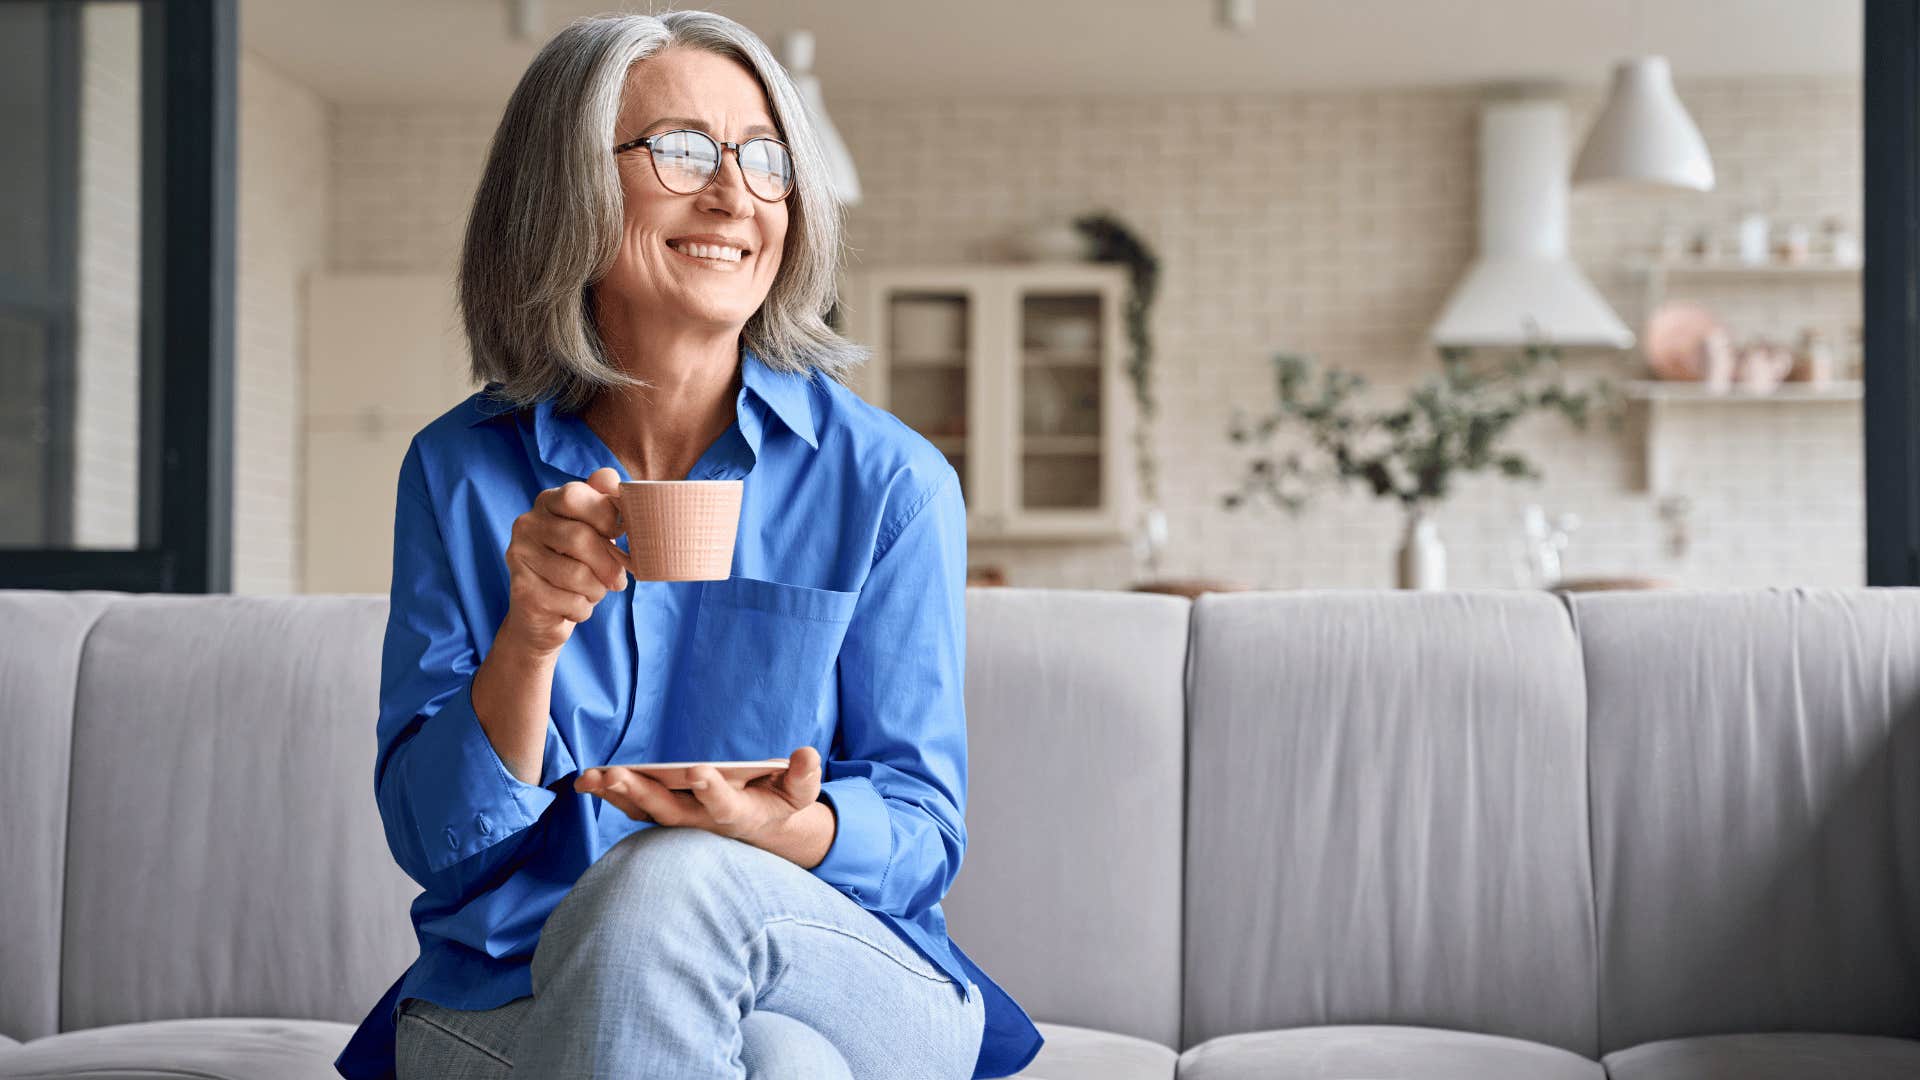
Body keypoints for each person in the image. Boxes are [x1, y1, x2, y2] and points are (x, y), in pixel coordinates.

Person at [330, 10, 1043, 1079]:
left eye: (765, 157)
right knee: (783, 1067)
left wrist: (777, 829)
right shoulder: (458, 471)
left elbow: (922, 833)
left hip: (831, 959)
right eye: (680, 150)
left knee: (664, 885)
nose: (735, 194)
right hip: (514, 988)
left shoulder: (888, 482)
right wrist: (527, 643)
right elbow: (435, 844)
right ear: (562, 187)